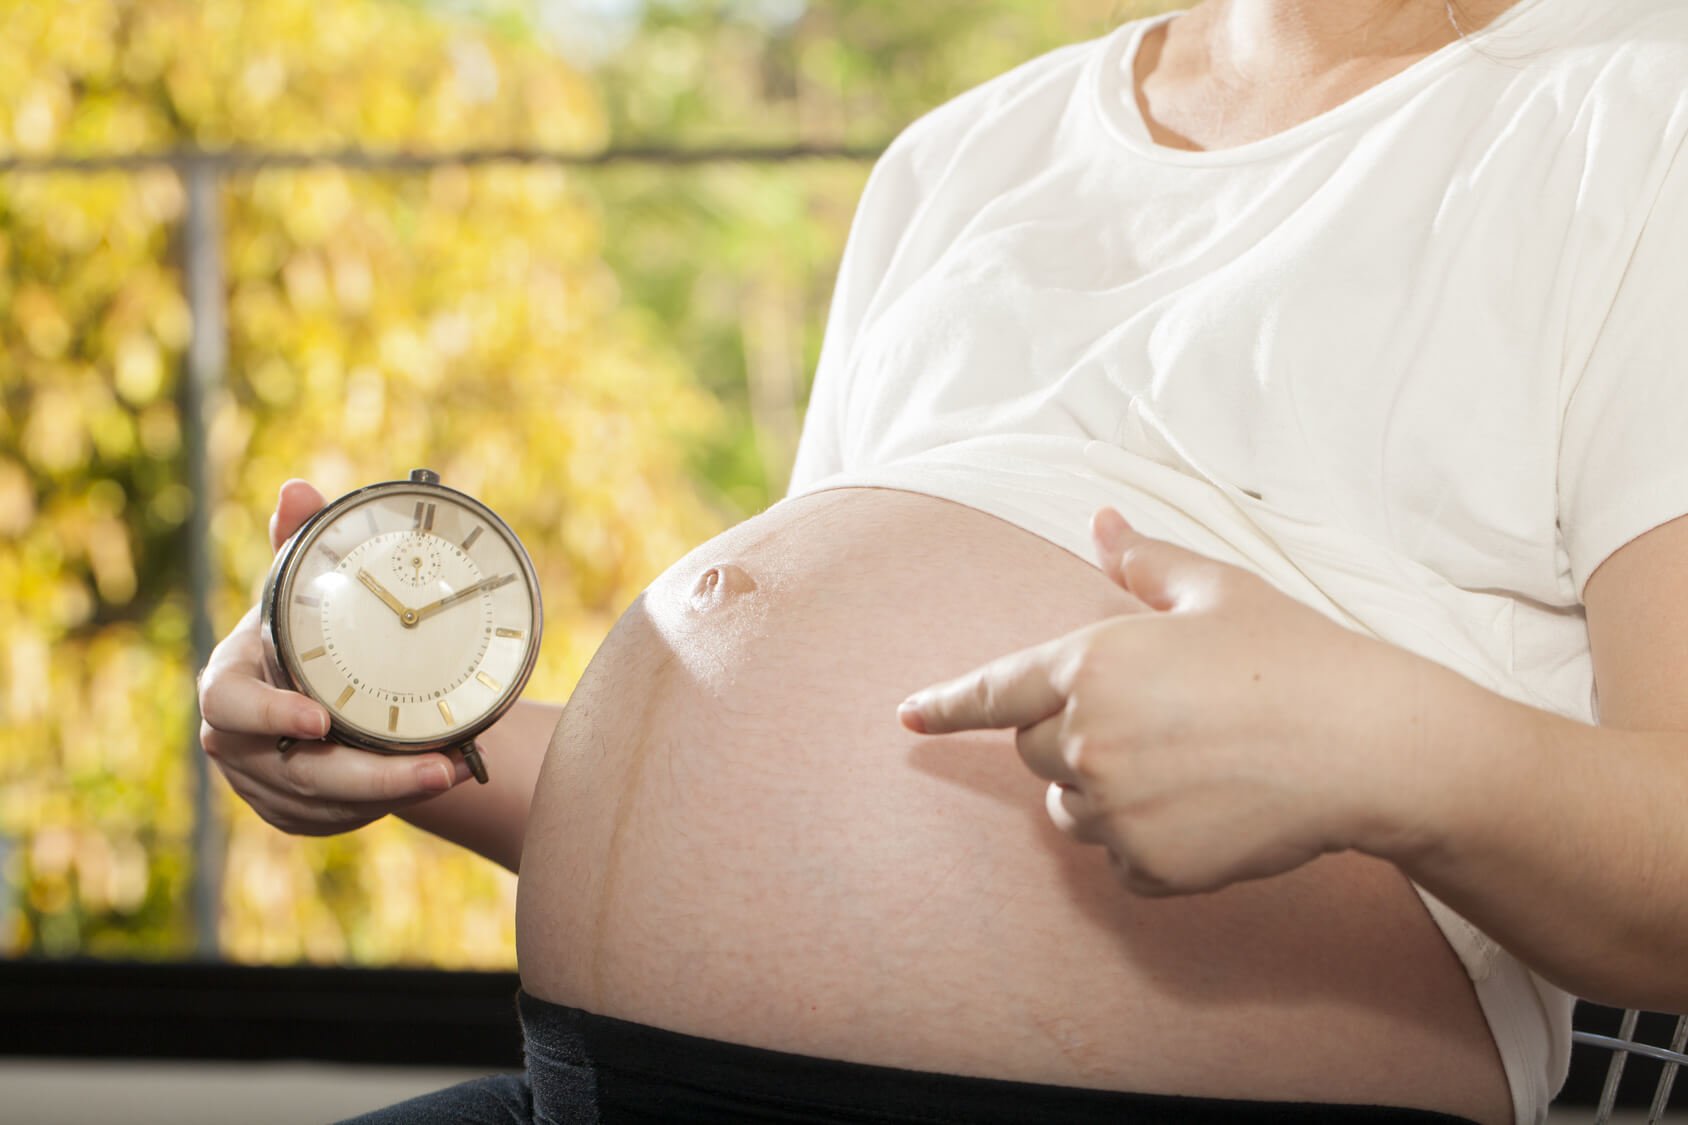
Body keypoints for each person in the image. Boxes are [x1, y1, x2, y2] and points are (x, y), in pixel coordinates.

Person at [195, 0, 1688, 1121]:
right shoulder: (964, 158)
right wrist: (391, 727)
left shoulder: (1639, 113)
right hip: (598, 1081)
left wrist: (1375, 750)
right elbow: (841, 790)